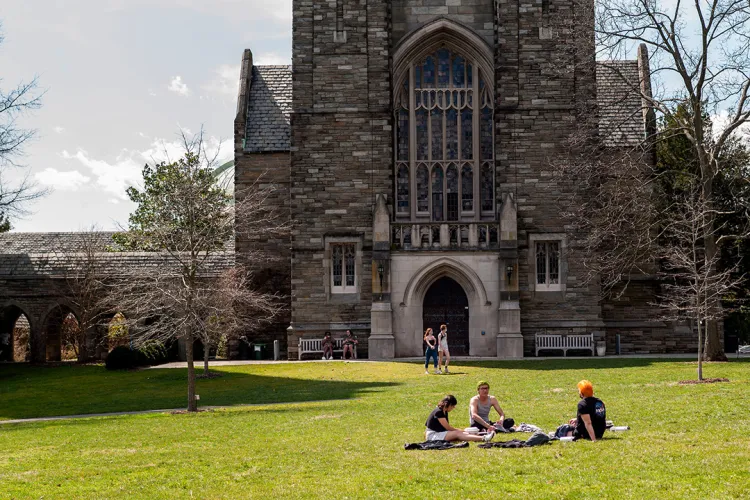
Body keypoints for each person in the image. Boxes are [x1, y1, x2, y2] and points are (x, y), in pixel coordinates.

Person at [425, 394, 495, 443]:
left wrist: (463, 431)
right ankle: (484, 438)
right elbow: (448, 428)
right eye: (453, 406)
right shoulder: (439, 412)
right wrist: (462, 431)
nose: (453, 408)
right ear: (448, 405)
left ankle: (482, 435)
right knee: (458, 434)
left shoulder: (443, 411)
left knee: (459, 434)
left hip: (439, 433)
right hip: (433, 435)